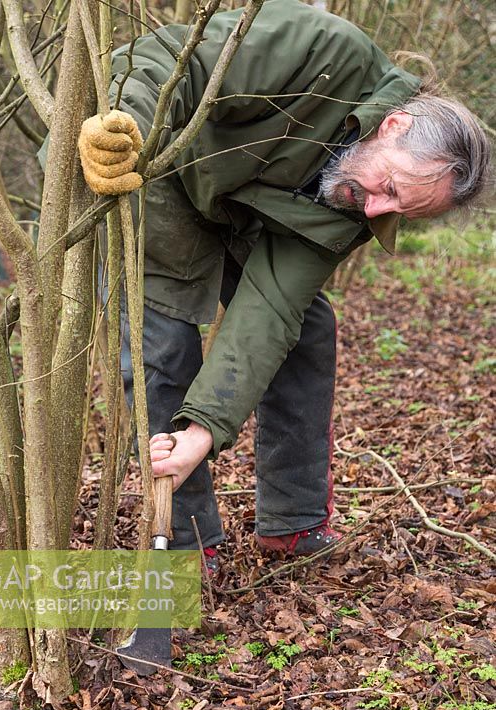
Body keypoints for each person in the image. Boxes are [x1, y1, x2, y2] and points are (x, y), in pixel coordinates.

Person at [78, 0, 490, 573]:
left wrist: (204, 432)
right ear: (394, 125)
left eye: (401, 209)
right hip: (156, 167)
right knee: (163, 338)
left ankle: (292, 525)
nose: (377, 208)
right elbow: (170, 60)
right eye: (389, 186)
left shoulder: (359, 202)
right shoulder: (318, 51)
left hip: (237, 209)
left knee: (305, 331)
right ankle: (186, 542)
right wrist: (122, 126)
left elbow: (270, 307)